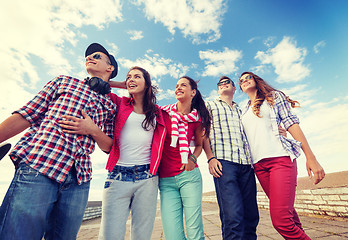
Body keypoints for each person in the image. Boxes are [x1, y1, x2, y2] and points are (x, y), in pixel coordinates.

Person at [0, 42, 118, 239]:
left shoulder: (110, 104)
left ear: (110, 67)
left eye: (97, 56)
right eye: (88, 56)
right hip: (40, 165)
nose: (90, 57)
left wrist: (92, 130)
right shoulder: (64, 81)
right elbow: (27, 114)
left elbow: (108, 147)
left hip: (79, 179)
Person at [61, 66, 166, 240]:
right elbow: (97, 83)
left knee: (142, 235)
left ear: (147, 84)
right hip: (117, 177)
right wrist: (124, 84)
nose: (131, 79)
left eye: (137, 77)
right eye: (129, 77)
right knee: (110, 235)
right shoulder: (119, 103)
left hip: (148, 179)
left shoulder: (158, 114)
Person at [239, 71, 325, 240]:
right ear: (241, 88)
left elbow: (291, 123)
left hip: (280, 160)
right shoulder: (243, 110)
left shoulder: (273, 97)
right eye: (241, 81)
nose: (244, 81)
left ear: (256, 80)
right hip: (258, 166)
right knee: (290, 217)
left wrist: (311, 157)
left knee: (281, 221)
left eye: (248, 77)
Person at [203, 76, 259, 240]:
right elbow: (202, 132)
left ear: (235, 89)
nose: (223, 84)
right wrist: (210, 158)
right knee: (233, 216)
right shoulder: (210, 105)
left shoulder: (241, 110)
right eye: (220, 83)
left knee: (251, 215)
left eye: (227, 82)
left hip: (246, 164)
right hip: (223, 163)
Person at [159, 76, 210, 240]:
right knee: (172, 235)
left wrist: (193, 160)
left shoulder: (196, 119)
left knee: (195, 232)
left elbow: (199, 146)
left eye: (183, 85)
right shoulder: (162, 113)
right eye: (176, 86)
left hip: (189, 176)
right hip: (165, 180)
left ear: (193, 92)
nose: (178, 88)